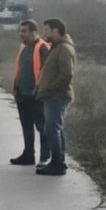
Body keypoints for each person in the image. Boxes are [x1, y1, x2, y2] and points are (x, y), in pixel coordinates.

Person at [35, 18, 76, 176]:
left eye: (46, 29)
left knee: (51, 129)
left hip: (57, 96)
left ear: (55, 30)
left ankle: (57, 164)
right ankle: (58, 161)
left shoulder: (64, 49)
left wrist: (50, 90)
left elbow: (66, 74)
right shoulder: (56, 47)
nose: (43, 33)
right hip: (53, 95)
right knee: (55, 129)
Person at [9, 20, 50, 165]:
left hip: (36, 95)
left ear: (33, 32)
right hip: (22, 94)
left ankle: (45, 156)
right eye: (20, 31)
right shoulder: (23, 47)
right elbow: (19, 69)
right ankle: (28, 155)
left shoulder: (42, 47)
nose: (21, 34)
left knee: (41, 126)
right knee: (26, 126)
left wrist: (40, 90)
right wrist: (15, 88)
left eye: (24, 31)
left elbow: (46, 71)